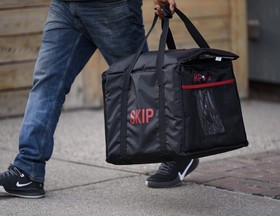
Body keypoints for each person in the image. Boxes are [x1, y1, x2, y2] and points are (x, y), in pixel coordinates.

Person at [0, 0, 199, 198]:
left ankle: (180, 153)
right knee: (46, 83)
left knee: (141, 86)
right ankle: (28, 169)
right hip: (64, 6)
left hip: (113, 9)